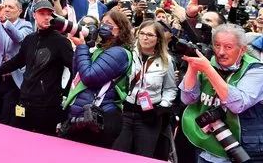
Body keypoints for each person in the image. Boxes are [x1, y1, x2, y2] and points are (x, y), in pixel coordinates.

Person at [0, 0, 73, 136]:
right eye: (42, 13)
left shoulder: (61, 42)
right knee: (17, 138)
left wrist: (65, 95)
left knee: (44, 143)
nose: (46, 17)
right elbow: (17, 61)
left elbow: (74, 68)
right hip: (25, 100)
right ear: (34, 15)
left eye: (49, 14)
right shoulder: (30, 39)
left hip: (48, 105)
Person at [180, 24, 263, 163]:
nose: (221, 52)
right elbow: (187, 99)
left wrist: (208, 70)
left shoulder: (256, 70)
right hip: (208, 145)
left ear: (242, 50)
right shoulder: (210, 62)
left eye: (228, 47)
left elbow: (238, 105)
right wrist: (192, 67)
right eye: (217, 46)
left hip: (243, 149)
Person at [62, 9, 134, 148]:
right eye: (102, 23)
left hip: (102, 116)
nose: (103, 26)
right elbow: (79, 75)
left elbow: (90, 78)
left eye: (108, 23)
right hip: (84, 114)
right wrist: (84, 47)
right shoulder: (100, 50)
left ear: (120, 29)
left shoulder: (119, 53)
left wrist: (82, 48)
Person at [112, 20, 177, 158]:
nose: (145, 38)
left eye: (149, 35)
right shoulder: (127, 53)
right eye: (142, 33)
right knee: (118, 154)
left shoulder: (167, 60)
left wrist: (161, 107)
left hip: (149, 115)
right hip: (125, 111)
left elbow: (170, 88)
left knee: (143, 156)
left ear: (158, 38)